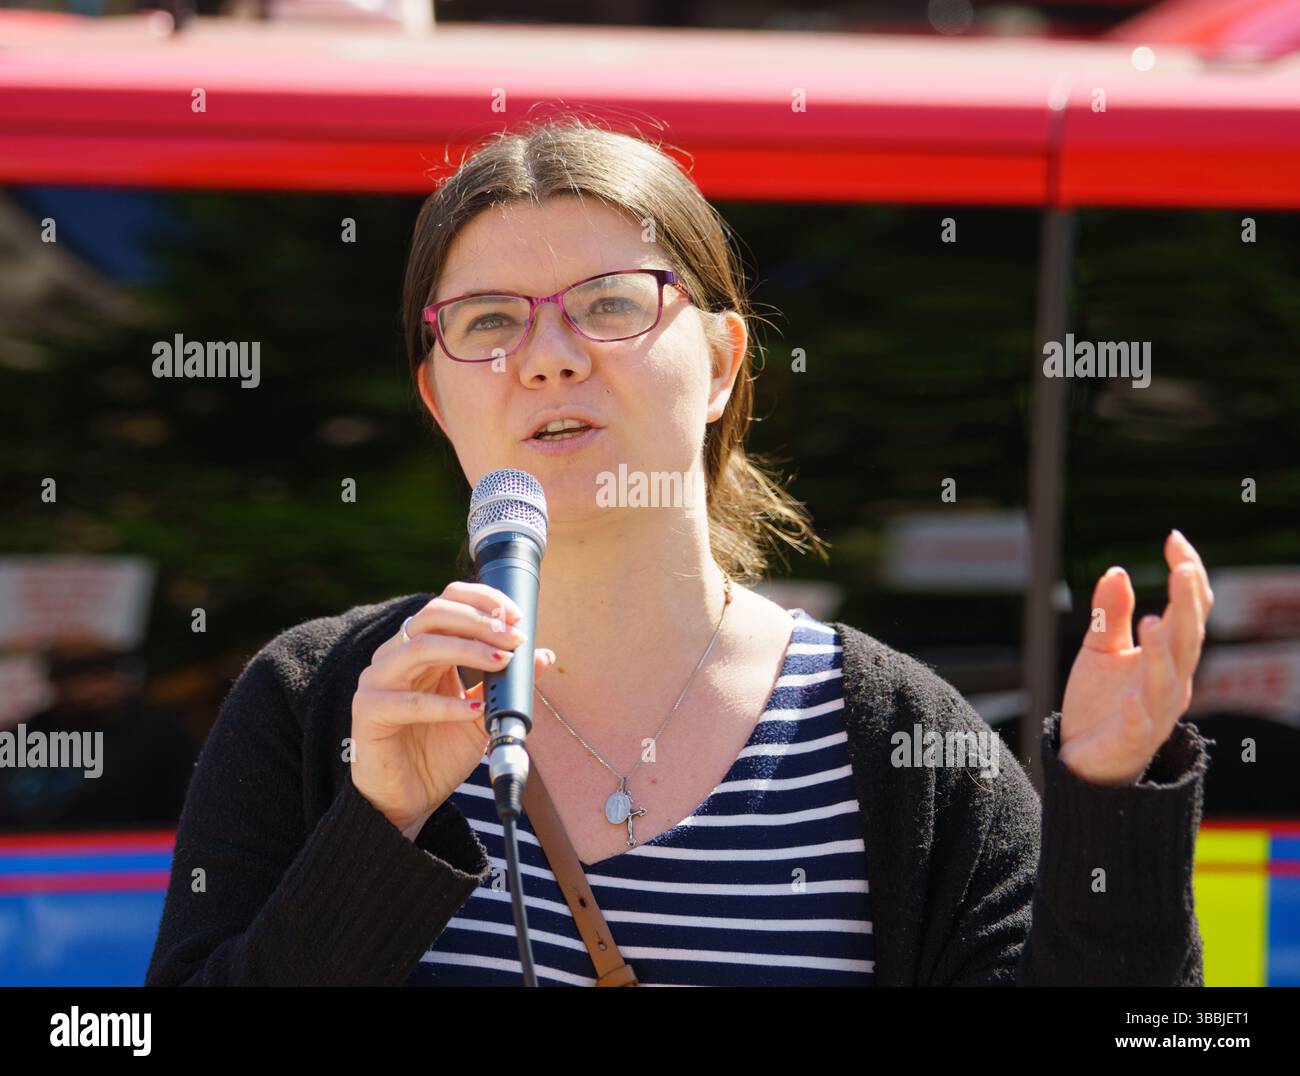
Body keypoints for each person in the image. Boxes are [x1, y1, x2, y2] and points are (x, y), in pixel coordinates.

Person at [145, 117, 1213, 987]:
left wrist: (1111, 802)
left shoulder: (897, 739)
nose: (548, 359)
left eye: (610, 303)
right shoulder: (314, 705)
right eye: (488, 322)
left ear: (720, 362)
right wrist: (375, 831)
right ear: (436, 397)